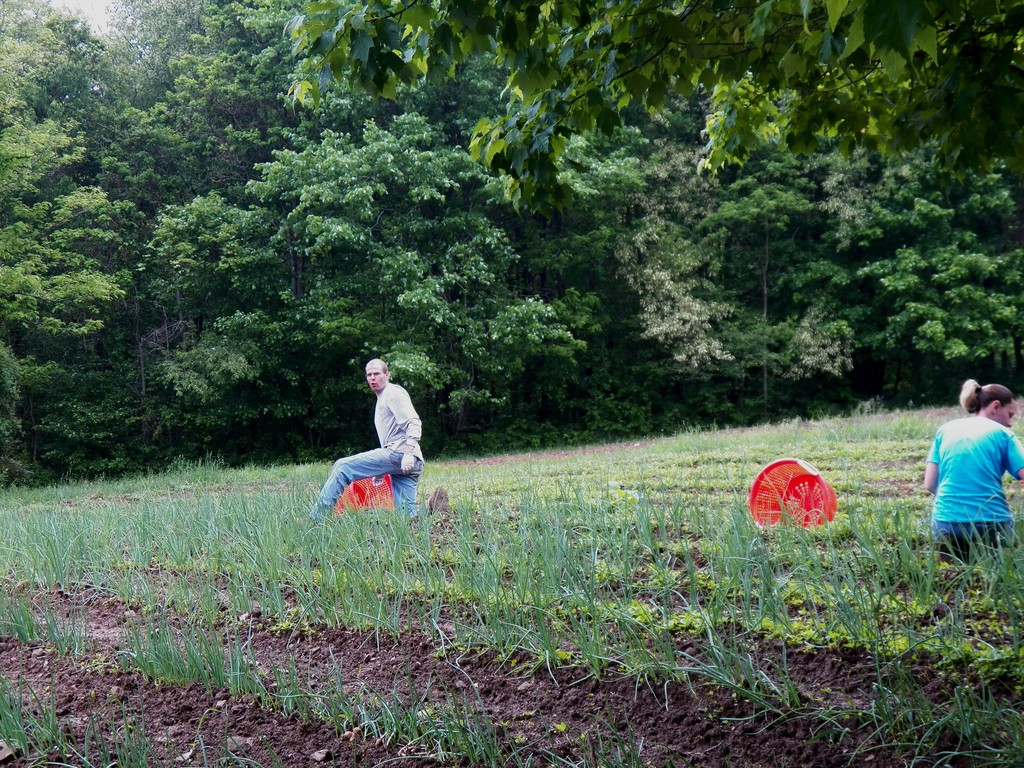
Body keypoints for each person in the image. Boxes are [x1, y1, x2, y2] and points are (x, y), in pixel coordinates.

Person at [310, 358, 424, 520]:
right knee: (406, 517)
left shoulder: (392, 393)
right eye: (369, 375)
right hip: (409, 461)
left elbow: (414, 422)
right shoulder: (382, 397)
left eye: (376, 374)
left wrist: (408, 452)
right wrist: (381, 470)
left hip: (401, 455)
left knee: (342, 467)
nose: (372, 378)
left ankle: (316, 519)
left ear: (387, 375)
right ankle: (432, 506)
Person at [923, 379, 1024, 560]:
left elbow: (930, 484)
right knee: (1002, 572)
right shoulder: (1003, 434)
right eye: (1010, 415)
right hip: (991, 521)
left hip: (946, 521)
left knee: (952, 575)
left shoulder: (945, 429)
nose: (1010, 423)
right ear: (995, 406)